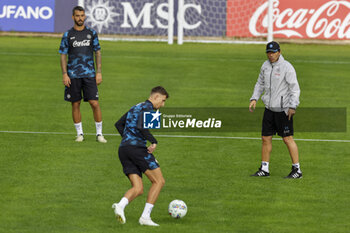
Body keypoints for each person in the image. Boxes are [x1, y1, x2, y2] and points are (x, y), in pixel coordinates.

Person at [112, 86, 169, 226]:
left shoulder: (135, 107)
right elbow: (141, 127)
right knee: (159, 181)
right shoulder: (148, 108)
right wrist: (153, 141)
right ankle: (145, 217)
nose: (162, 105)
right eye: (162, 101)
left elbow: (119, 124)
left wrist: (127, 140)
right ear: (155, 97)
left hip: (124, 150)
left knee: (138, 188)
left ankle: (120, 205)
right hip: (137, 150)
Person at [249, 41, 302, 179]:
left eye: (273, 52)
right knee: (265, 138)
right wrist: (254, 98)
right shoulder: (265, 66)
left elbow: (294, 89)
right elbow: (259, 83)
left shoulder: (287, 67)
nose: (270, 55)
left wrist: (292, 106)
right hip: (269, 109)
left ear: (279, 52)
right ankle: (264, 169)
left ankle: (297, 170)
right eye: (268, 52)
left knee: (287, 139)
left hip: (283, 110)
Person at [59, 6, 107, 143]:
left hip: (89, 74)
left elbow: (97, 52)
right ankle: (80, 134)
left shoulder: (91, 33)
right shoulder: (68, 35)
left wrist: (99, 72)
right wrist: (64, 74)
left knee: (94, 103)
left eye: (82, 15)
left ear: (85, 16)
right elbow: (63, 55)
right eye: (77, 16)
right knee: (75, 104)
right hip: (73, 75)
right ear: (73, 17)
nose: (80, 18)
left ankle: (99, 134)